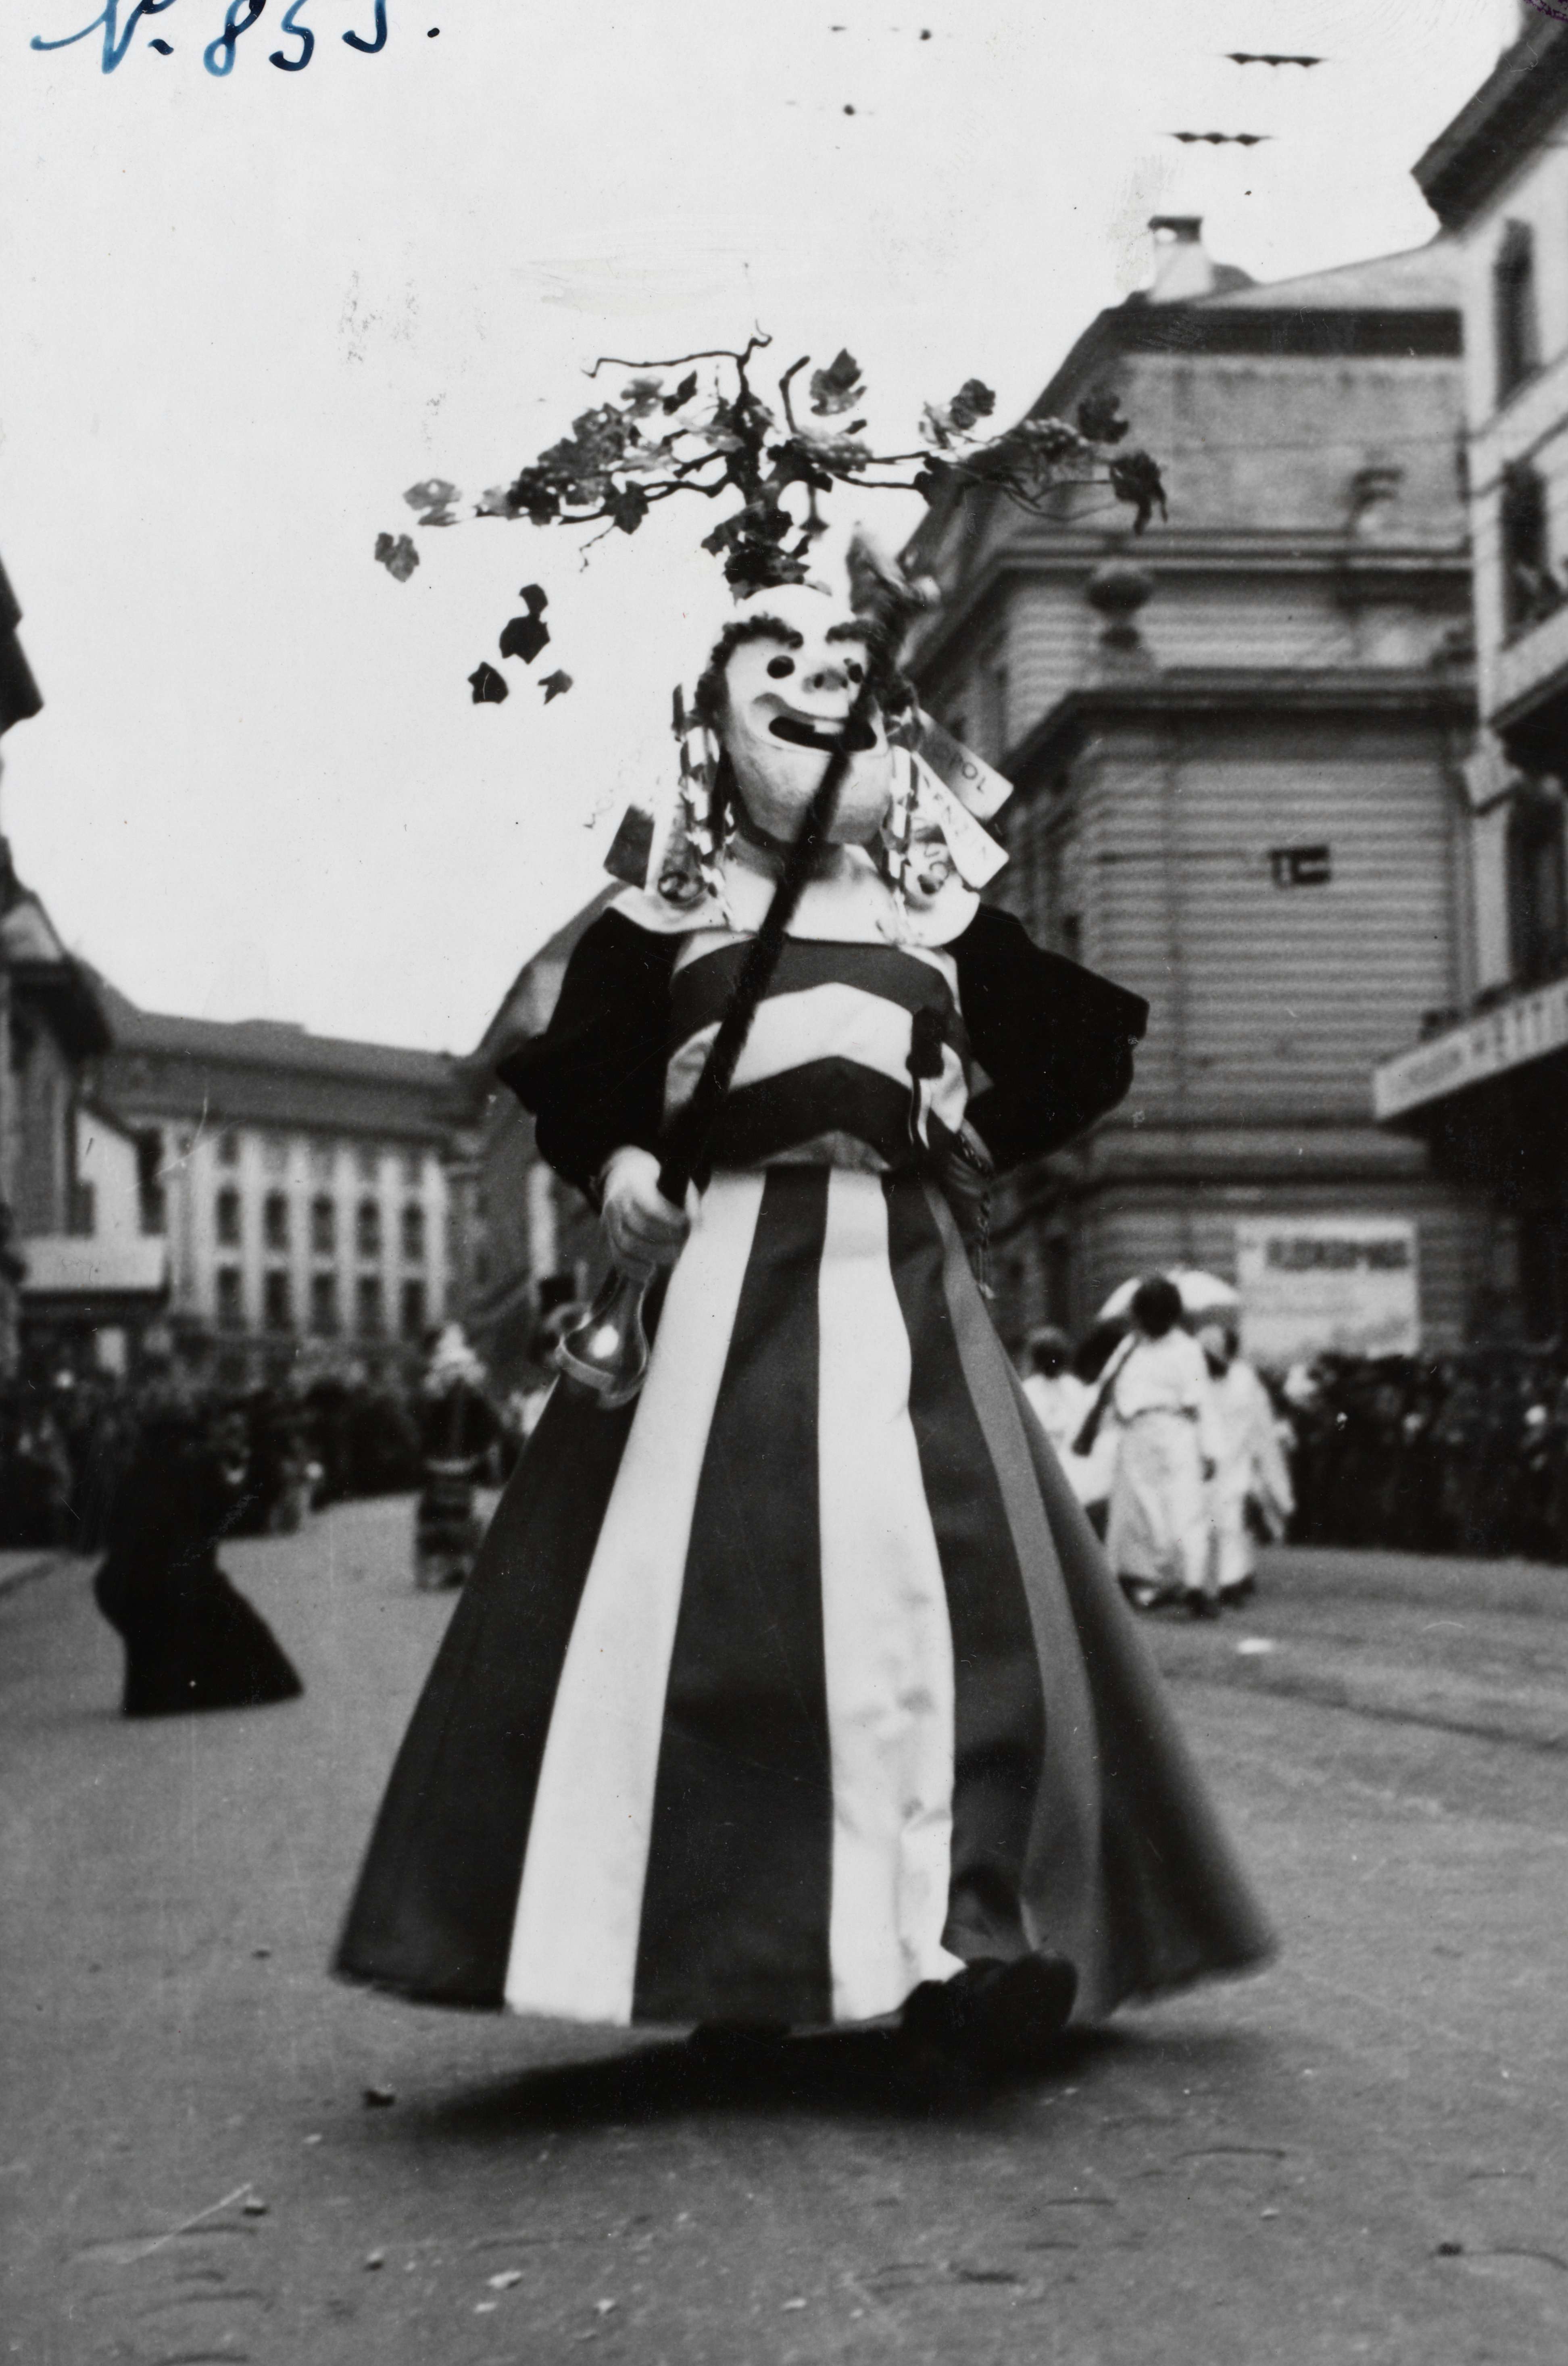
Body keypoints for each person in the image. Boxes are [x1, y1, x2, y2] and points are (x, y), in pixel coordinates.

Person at [335, 577, 1272, 2081]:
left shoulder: (935, 911)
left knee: (956, 1605)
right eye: (775, 659)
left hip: (905, 1289)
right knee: (726, 1615)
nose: (814, 677)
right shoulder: (664, 913)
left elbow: (1076, 1052)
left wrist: (967, 1133)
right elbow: (583, 1078)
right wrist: (622, 1164)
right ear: (713, 718)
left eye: (843, 658)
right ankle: (746, 1951)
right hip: (722, 1293)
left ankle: (966, 1939)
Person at [93, 1385, 303, 1718]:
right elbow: (236, 1514)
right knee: (270, 1672)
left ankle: (157, 1693)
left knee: (160, 1645)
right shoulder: (197, 1467)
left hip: (121, 1587)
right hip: (182, 1585)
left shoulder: (133, 1473)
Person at [1103, 1276, 1223, 1618]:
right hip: (1136, 1432)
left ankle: (1195, 1584)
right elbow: (1109, 1390)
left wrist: (1210, 1449)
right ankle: (1146, 1580)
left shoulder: (1187, 1350)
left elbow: (1202, 1401)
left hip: (1176, 1430)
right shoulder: (1130, 1348)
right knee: (1139, 1511)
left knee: (1185, 1507)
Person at [1197, 1323, 1293, 1607]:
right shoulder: (1197, 1378)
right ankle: (1214, 1580)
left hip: (1236, 1463)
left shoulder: (1244, 1378)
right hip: (1205, 1463)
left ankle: (1231, 1582)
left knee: (1232, 1523)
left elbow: (1260, 1425)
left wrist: (1262, 1464)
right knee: (1211, 1524)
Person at [413, 1325, 501, 1591]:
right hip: (449, 1463)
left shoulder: (464, 1398)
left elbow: (488, 1427)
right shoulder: (441, 1398)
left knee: (453, 1514)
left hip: (456, 1463)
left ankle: (455, 1564)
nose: (456, 1375)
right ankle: (449, 1565)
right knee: (445, 1514)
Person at [1021, 1326, 1111, 1535]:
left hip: (1073, 1465)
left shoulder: (1073, 1387)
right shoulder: (1030, 1390)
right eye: (1048, 1358)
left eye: (1056, 1358)